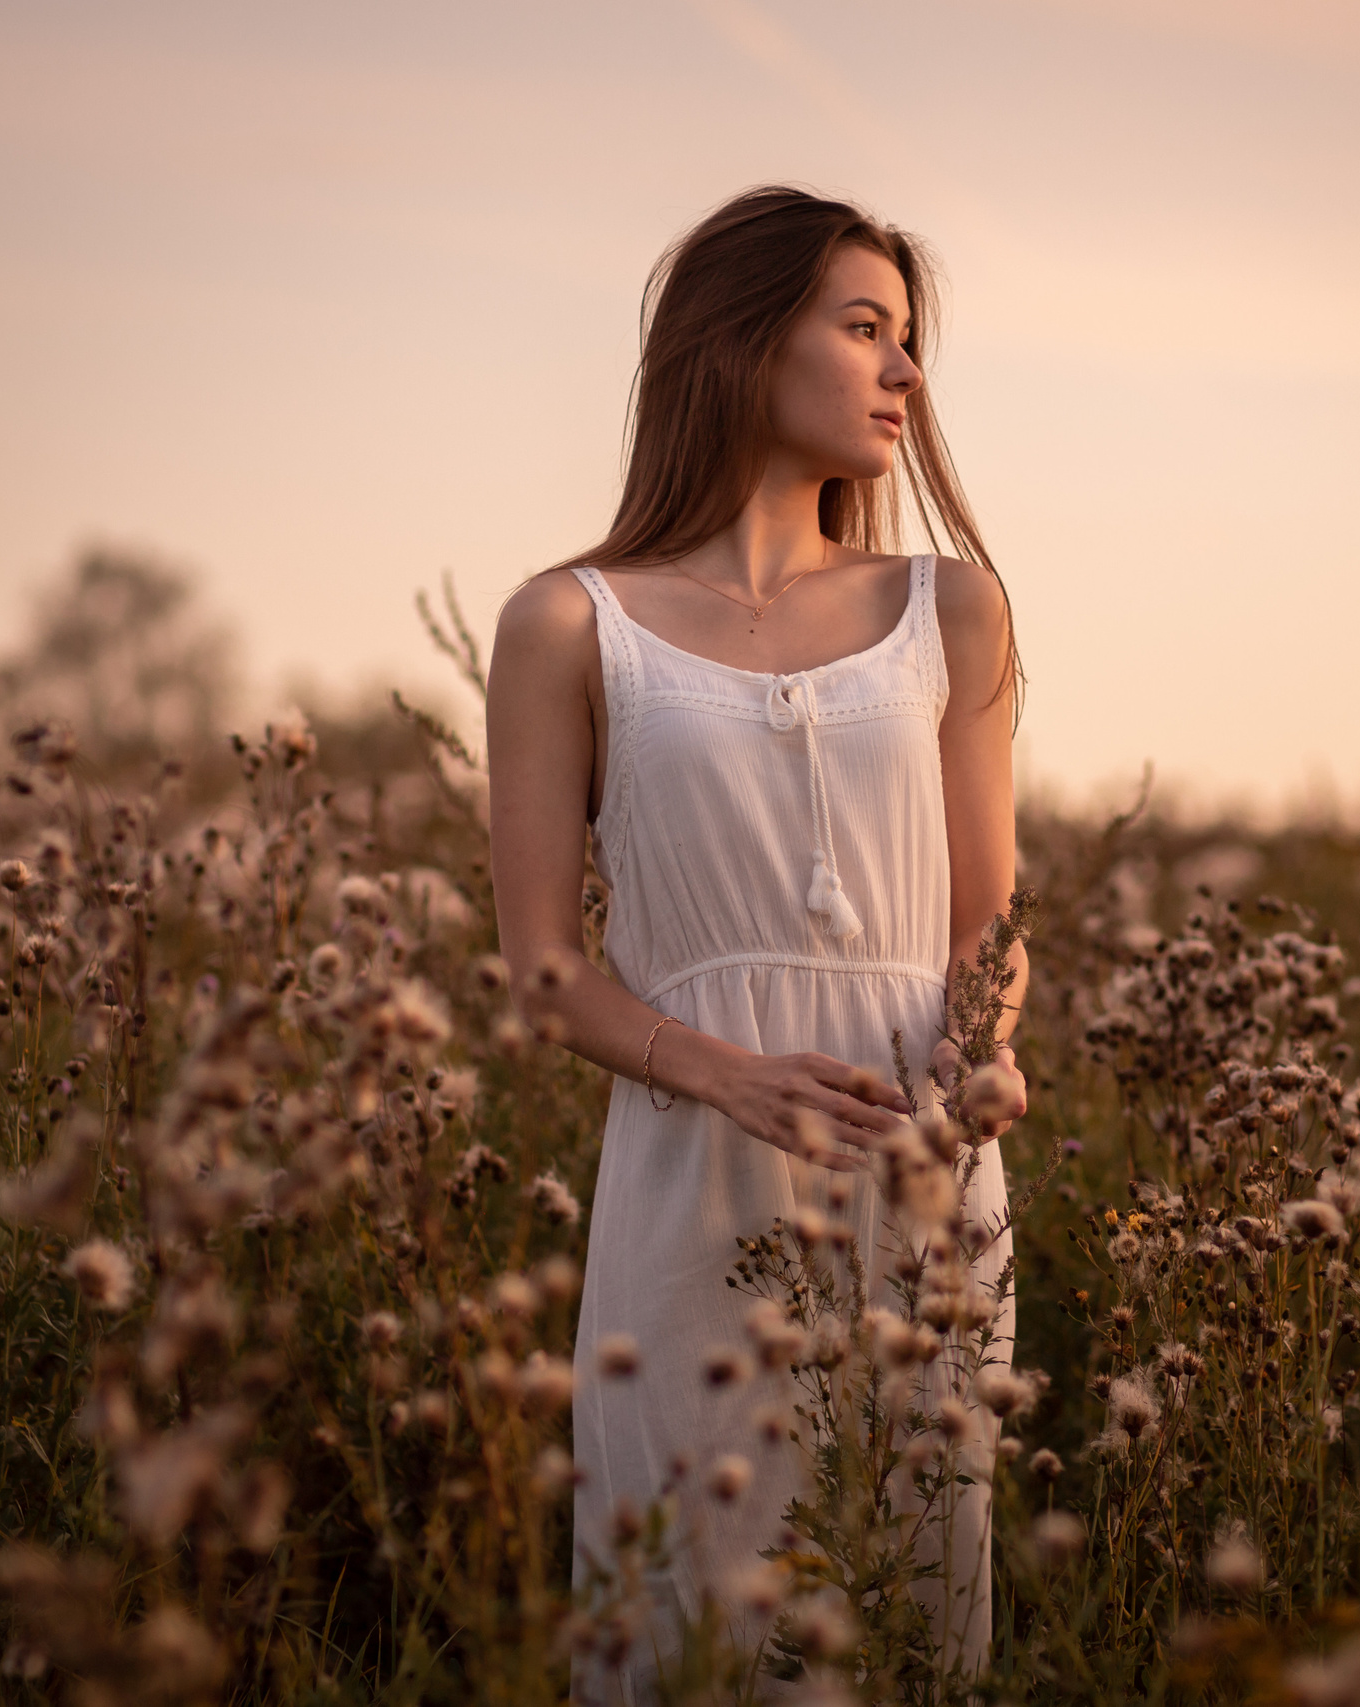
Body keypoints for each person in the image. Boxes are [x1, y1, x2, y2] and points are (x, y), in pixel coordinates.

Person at [484, 184, 1029, 1700]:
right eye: (865, 329)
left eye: (908, 339)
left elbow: (990, 917)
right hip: (693, 1175)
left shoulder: (954, 610)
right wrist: (720, 1075)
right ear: (738, 343)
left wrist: (979, 1053)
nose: (905, 374)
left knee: (909, 1595)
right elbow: (541, 969)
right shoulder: (570, 625)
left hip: (917, 1168)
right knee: (690, 1606)